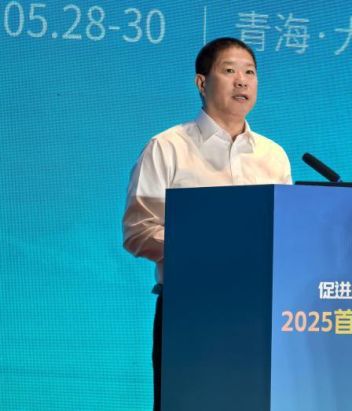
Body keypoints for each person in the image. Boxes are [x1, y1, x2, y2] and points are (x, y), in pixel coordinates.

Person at [122, 37, 292, 411]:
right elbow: (139, 230)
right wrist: (203, 251)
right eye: (229, 71)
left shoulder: (273, 155)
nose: (242, 80)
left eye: (250, 72)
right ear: (202, 82)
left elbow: (287, 234)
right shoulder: (168, 147)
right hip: (190, 312)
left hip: (259, 315)